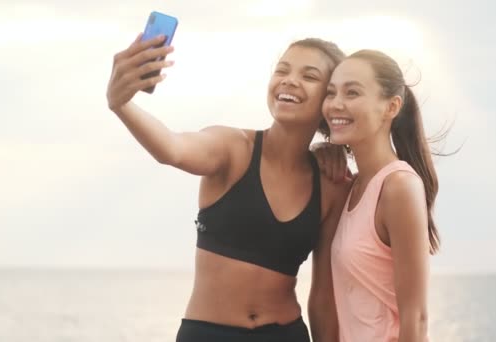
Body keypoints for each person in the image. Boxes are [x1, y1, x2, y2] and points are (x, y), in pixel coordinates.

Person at [107, 33, 349, 342]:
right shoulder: (233, 149)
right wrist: (121, 104)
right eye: (282, 70)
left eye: (309, 75)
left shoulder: (331, 184)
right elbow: (173, 148)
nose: (289, 81)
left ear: (329, 99)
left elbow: (324, 297)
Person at [322, 49, 440, 341]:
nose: (336, 104)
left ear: (391, 107)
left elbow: (416, 318)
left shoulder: (399, 186)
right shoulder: (353, 186)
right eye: (331, 93)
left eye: (352, 93)